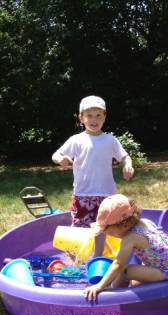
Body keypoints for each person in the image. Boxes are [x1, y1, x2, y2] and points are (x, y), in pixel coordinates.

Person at [52, 95, 134, 254]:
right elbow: (56, 154)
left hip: (107, 195)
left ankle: (99, 257)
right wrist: (61, 159)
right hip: (83, 194)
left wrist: (128, 165)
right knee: (79, 229)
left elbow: (124, 156)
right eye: (89, 115)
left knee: (105, 228)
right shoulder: (76, 140)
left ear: (104, 117)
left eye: (98, 115)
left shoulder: (110, 140)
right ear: (81, 118)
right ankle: (76, 259)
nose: (94, 120)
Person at [83, 194, 168, 301]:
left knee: (125, 271)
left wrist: (100, 286)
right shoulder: (145, 222)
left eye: (109, 232)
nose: (109, 235)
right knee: (135, 283)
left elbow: (118, 264)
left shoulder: (130, 238)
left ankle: (113, 294)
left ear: (123, 225)